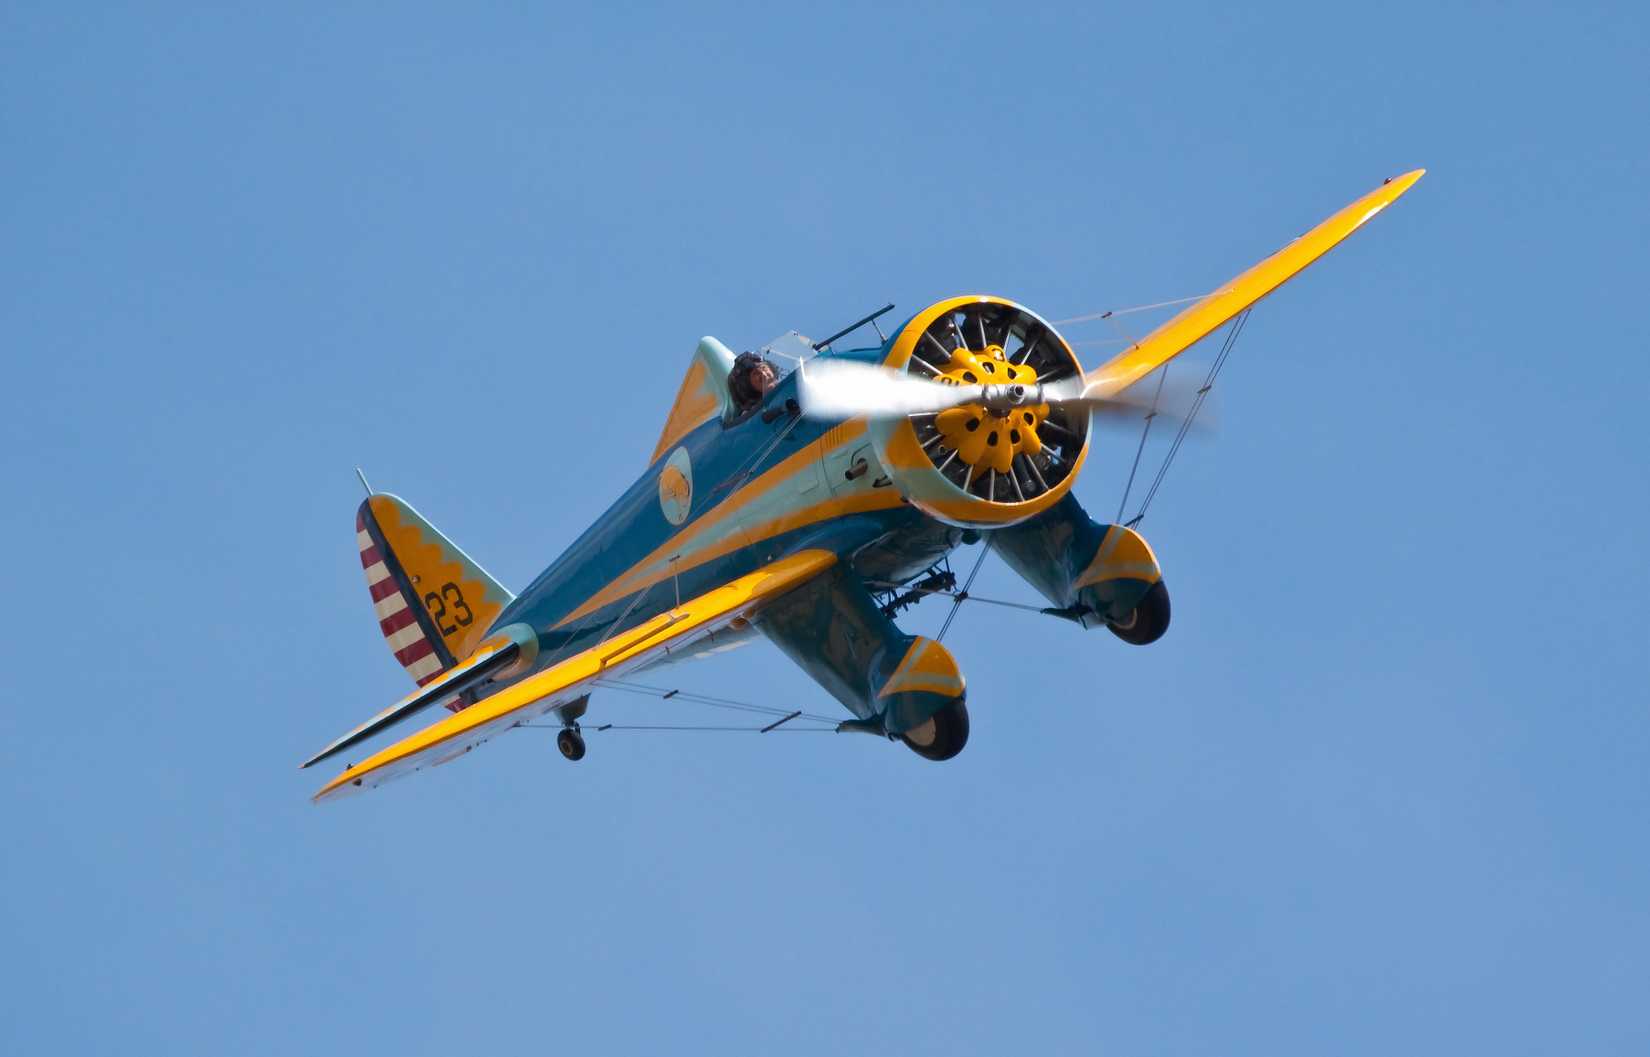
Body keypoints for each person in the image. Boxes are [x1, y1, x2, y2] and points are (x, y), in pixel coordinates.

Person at [728, 351, 777, 418]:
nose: (763, 374)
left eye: (763, 367)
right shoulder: (751, 416)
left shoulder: (792, 384)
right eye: (755, 373)